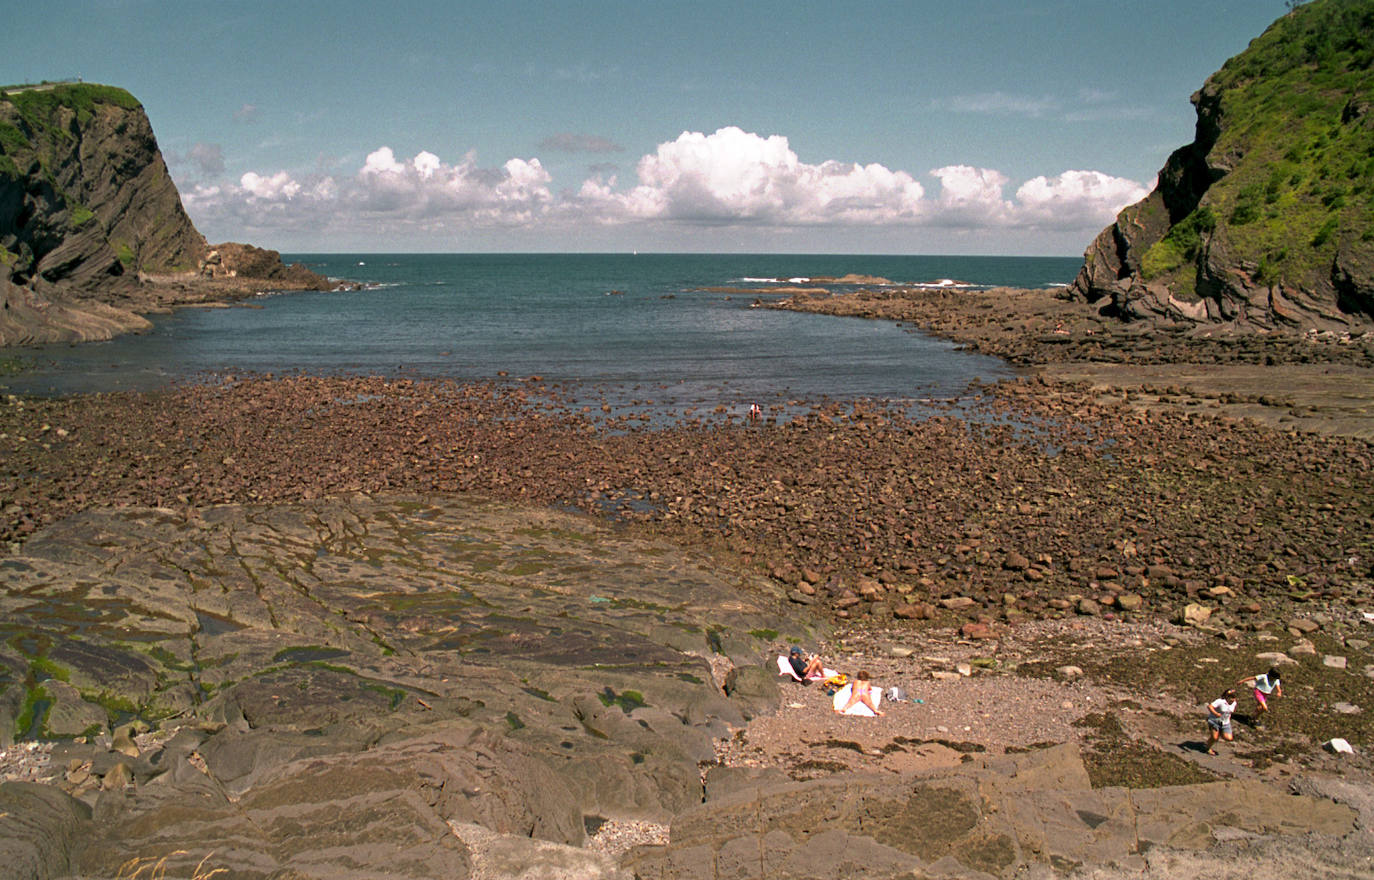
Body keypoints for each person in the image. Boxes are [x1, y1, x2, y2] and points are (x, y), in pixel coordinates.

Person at [1205, 688, 1238, 755]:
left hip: (1225, 722)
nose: (1233, 699)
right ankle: (1208, 748)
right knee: (1214, 737)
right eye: (1231, 697)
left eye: (1234, 698)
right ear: (1227, 697)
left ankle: (1217, 734)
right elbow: (1209, 706)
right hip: (1214, 721)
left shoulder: (1234, 703)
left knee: (1229, 738)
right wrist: (1215, 713)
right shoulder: (1220, 701)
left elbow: (1230, 712)